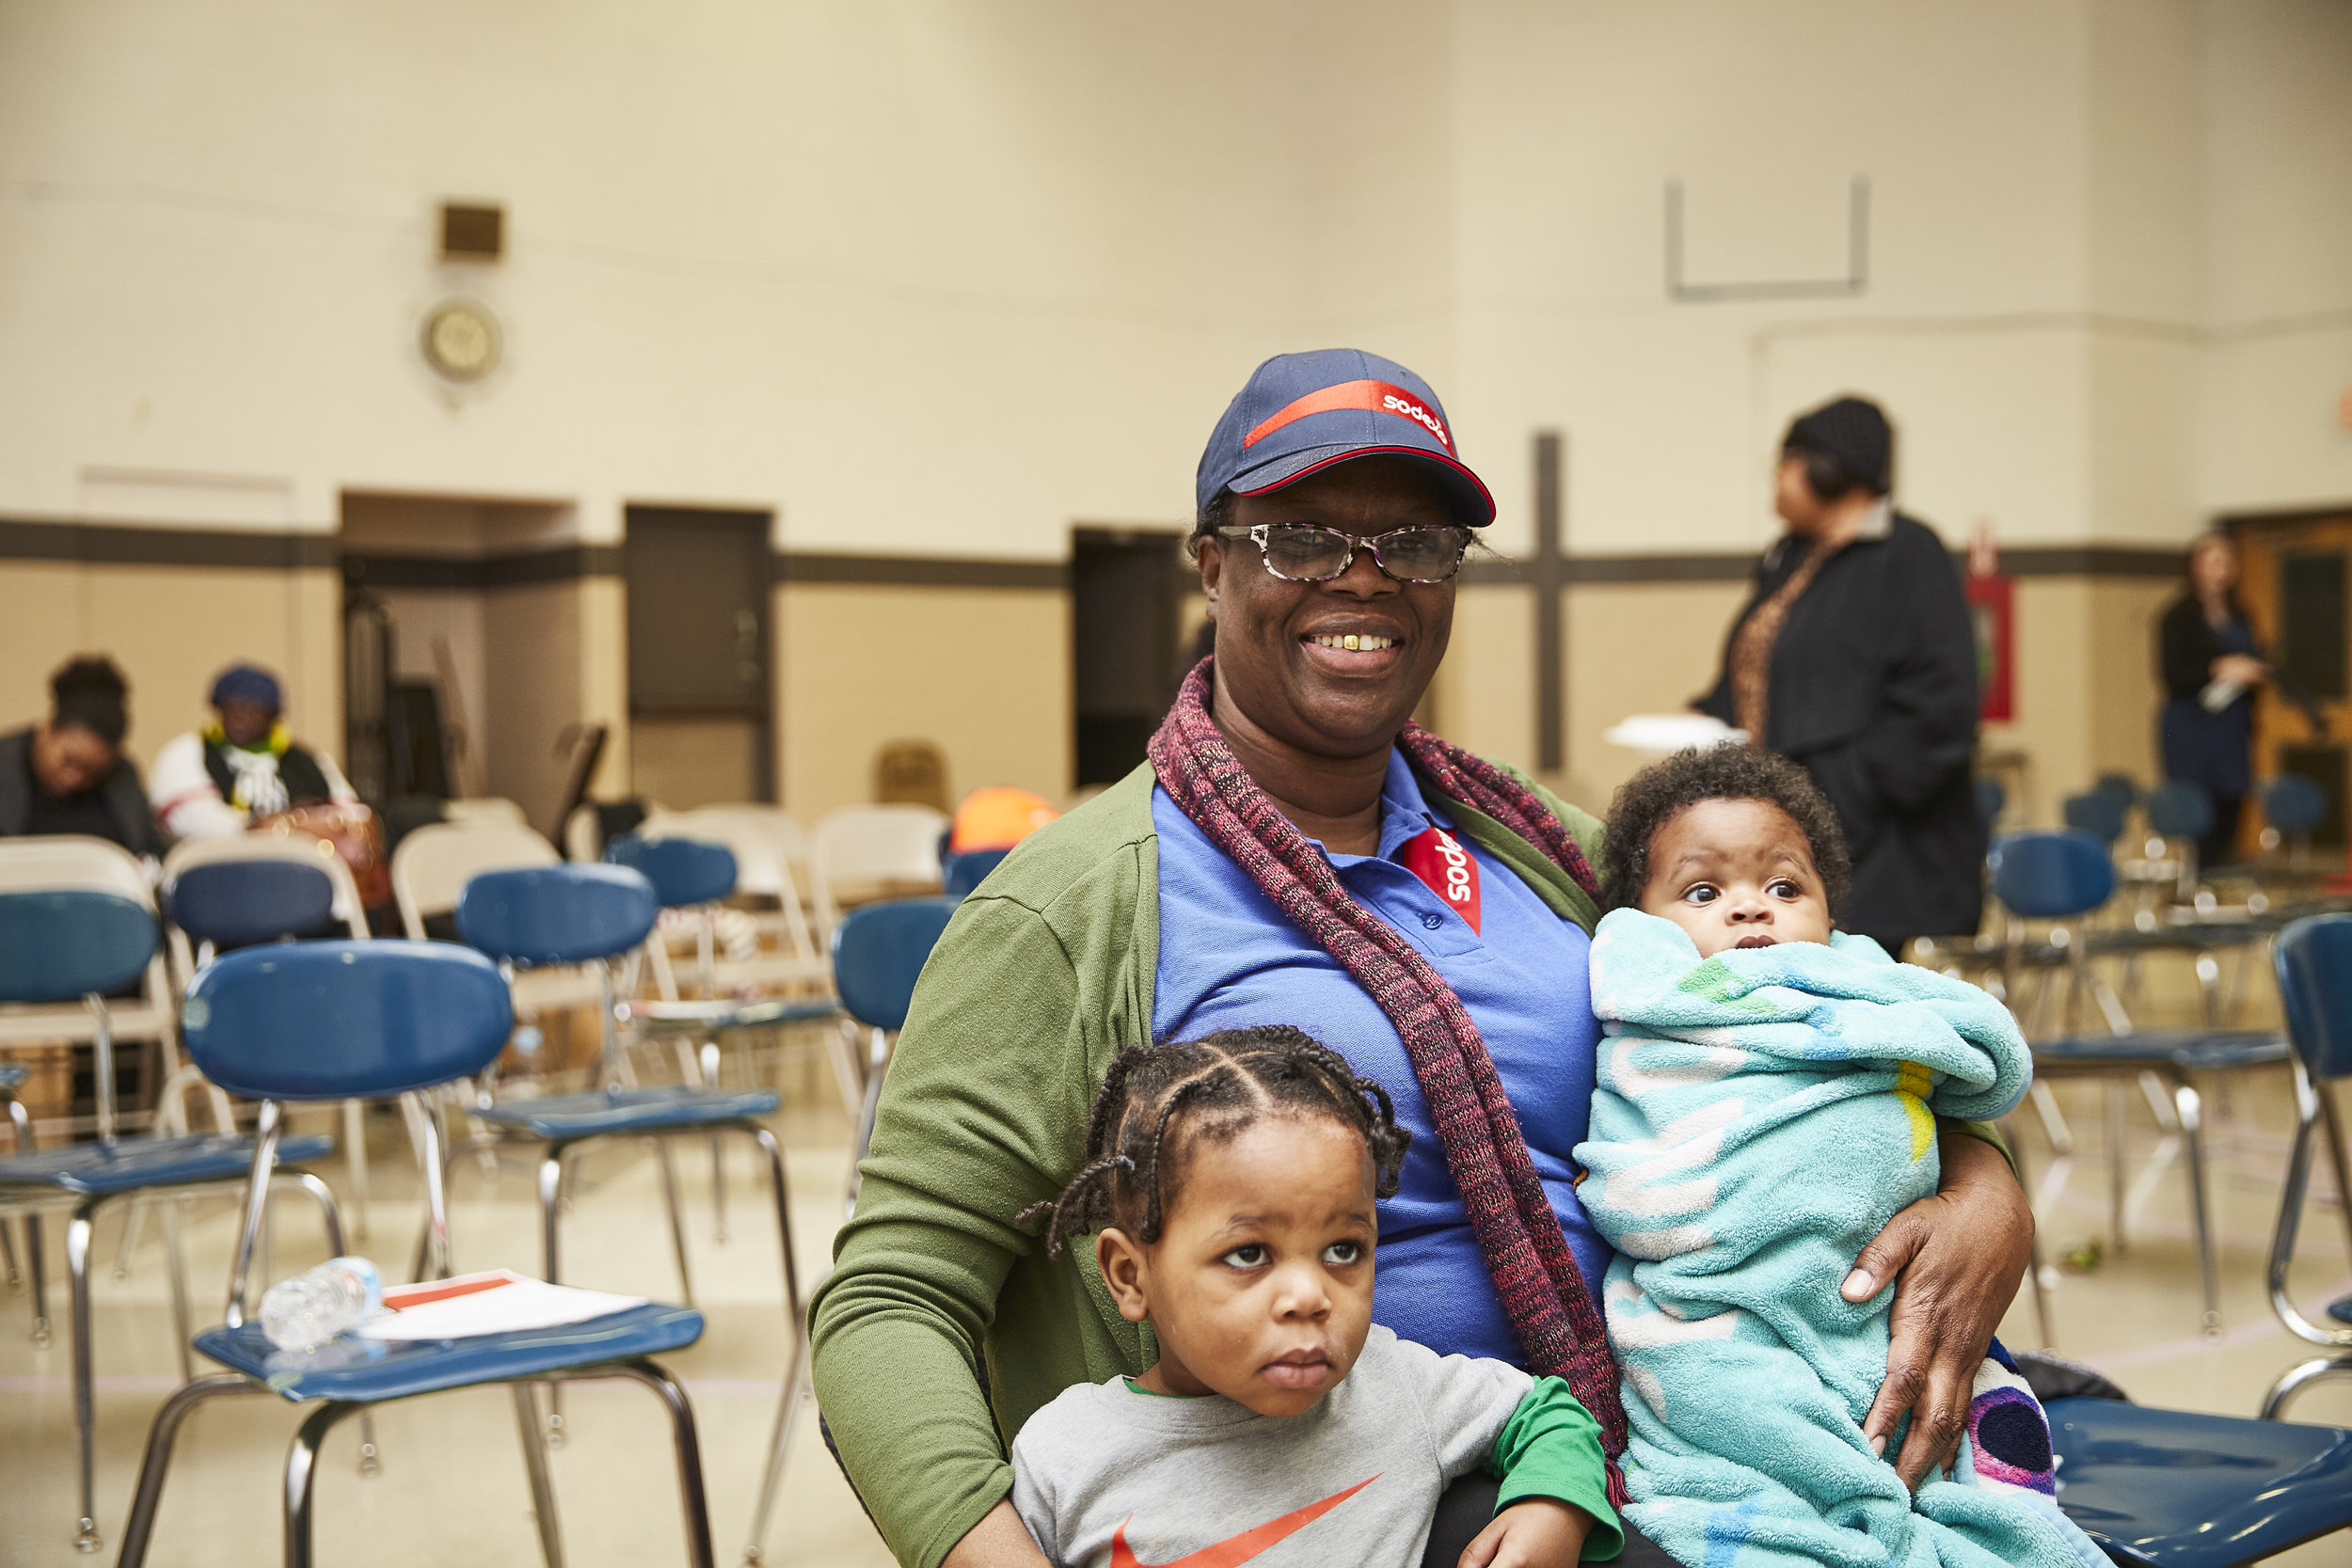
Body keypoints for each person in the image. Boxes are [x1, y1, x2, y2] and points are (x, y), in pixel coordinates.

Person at [810, 350, 2032, 1568]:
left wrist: (1985, 1185)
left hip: (1683, 1438)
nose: (1364, 577)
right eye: (1300, 536)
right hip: (1349, 1494)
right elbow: (888, 1302)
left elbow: (1811, 1027)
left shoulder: (1555, 849)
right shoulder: (1072, 904)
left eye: (1415, 541)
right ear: (1212, 559)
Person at [1580, 747, 2102, 1568]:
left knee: (1974, 1429)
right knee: (1751, 1420)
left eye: (1785, 888)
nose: (1752, 909)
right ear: (1644, 921)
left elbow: (1968, 1067)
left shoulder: (1866, 995)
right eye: (1704, 891)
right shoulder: (1659, 1013)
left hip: (1878, 1304)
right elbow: (1636, 1178)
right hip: (1724, 1310)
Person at [1010, 1027, 1617, 1568]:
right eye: (1249, 1254)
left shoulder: (1400, 1388)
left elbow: (1549, 1416)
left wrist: (1553, 1506)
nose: (1309, 1296)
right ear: (1129, 1276)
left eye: (1344, 1251)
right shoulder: (1064, 1455)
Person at [1692, 395, 1983, 960]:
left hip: (1882, 850)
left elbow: (1939, 709)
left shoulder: (1908, 554)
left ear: (1828, 467)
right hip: (1793, 828)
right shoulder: (1789, 557)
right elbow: (1758, 671)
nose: (1776, 479)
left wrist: (1844, 794)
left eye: (1787, 462)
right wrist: (1706, 711)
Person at [2157, 533, 2267, 867]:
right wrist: (2218, 668)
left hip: (2231, 727)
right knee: (2199, 817)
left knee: (2231, 811)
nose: (2222, 570)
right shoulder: (2177, 616)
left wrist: (2251, 673)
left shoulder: (2240, 614)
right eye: (2213, 562)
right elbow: (2172, 673)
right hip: (2193, 727)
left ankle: (2220, 884)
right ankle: (2197, 887)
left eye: (2227, 562)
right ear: (2195, 568)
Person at [149, 664, 357, 840]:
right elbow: (190, 819)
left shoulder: (308, 760)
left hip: (301, 868)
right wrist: (266, 826)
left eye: (253, 711)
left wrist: (287, 826)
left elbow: (353, 817)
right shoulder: (188, 750)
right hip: (216, 870)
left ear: (272, 717)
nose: (241, 718)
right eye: (233, 709)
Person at [0, 656, 165, 858]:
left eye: (92, 773)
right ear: (47, 729)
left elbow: (151, 848)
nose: (74, 778)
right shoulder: (5, 762)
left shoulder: (122, 776)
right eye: (68, 760)